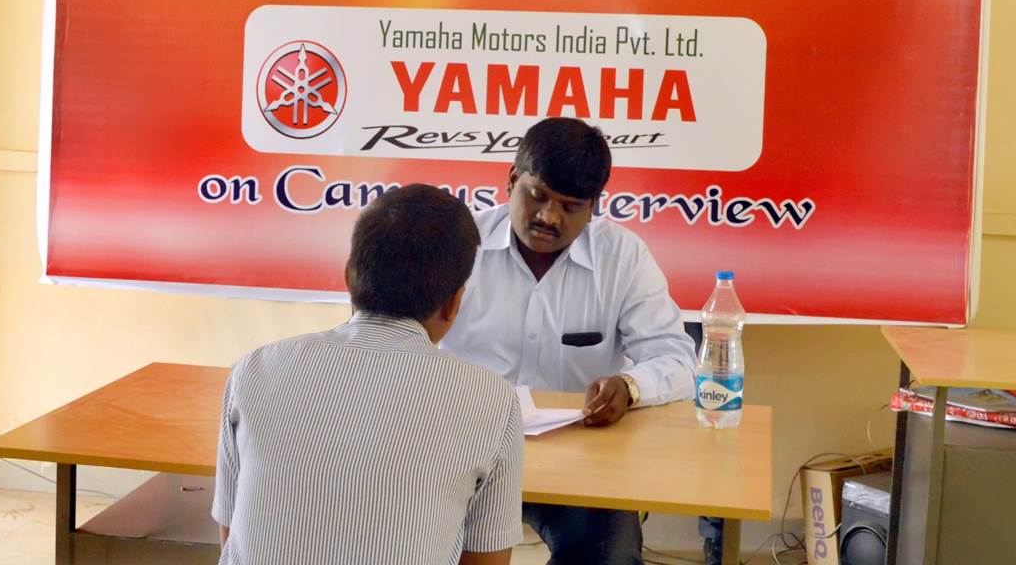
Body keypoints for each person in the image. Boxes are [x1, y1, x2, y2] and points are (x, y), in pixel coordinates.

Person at [213, 184, 523, 565]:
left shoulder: (254, 369)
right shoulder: (491, 399)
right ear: (454, 303)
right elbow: (487, 560)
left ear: (349, 276)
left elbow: (232, 535)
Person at [442, 117, 696, 565]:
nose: (548, 217)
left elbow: (676, 358)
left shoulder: (623, 257)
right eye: (537, 196)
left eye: (570, 205)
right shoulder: (459, 245)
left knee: (609, 556)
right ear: (512, 180)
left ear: (594, 206)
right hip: (460, 448)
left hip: (581, 457)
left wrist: (630, 386)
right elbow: (402, 340)